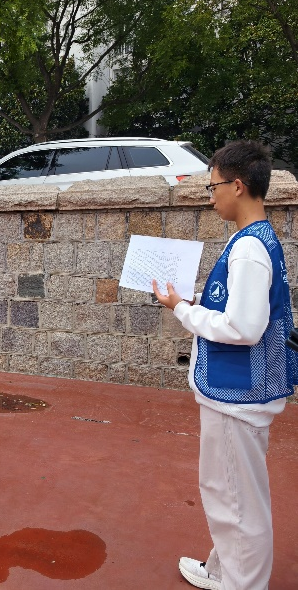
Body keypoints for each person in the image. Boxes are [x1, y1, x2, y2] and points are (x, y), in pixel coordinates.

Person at [152, 141, 298, 590]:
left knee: (237, 501)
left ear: (237, 185)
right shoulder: (254, 239)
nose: (210, 195)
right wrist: (193, 300)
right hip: (238, 391)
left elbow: (243, 327)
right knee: (227, 493)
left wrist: (182, 309)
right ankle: (224, 570)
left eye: (213, 186)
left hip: (239, 394)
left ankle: (242, 583)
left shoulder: (249, 249)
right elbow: (238, 308)